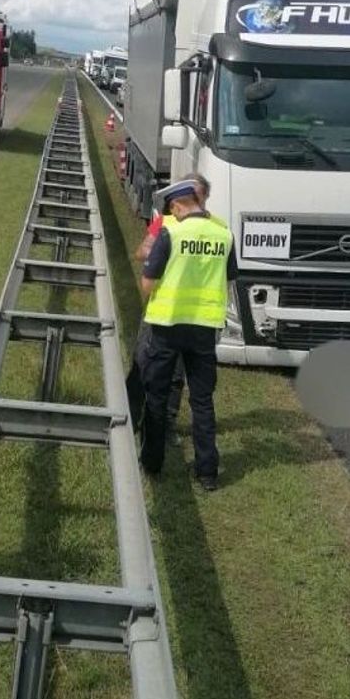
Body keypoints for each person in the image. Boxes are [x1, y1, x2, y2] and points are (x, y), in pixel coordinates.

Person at [139, 179, 236, 491]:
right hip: (205, 329)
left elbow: (148, 282)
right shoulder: (224, 235)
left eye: (173, 210)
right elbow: (230, 278)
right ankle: (207, 472)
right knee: (203, 400)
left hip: (167, 327)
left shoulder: (172, 233)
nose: (174, 215)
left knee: (157, 394)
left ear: (178, 206)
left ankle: (152, 463)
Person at [126, 175, 220, 444]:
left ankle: (164, 426)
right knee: (142, 363)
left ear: (202, 198)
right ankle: (129, 418)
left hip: (195, 314)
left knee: (177, 375)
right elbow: (141, 252)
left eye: (196, 193)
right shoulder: (165, 223)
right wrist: (156, 248)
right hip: (161, 310)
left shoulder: (216, 228)